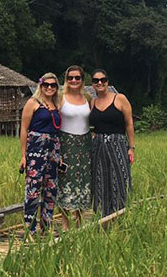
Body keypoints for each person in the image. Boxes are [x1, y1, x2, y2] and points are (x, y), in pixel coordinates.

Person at [19, 72, 62, 237]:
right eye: (46, 85)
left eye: (53, 85)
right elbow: (24, 129)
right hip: (36, 148)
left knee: (51, 188)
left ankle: (47, 225)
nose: (49, 88)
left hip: (53, 149)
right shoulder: (33, 103)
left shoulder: (56, 105)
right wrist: (23, 155)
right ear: (41, 86)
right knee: (33, 188)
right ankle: (29, 227)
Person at [89, 69, 135, 216]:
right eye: (96, 81)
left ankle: (121, 213)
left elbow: (129, 124)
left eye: (103, 80)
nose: (100, 83)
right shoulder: (92, 102)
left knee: (120, 177)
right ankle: (103, 215)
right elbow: (93, 127)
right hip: (98, 144)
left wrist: (131, 147)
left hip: (117, 142)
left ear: (107, 82)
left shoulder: (119, 98)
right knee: (100, 179)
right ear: (93, 84)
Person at [56, 65, 92, 229]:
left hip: (84, 143)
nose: (74, 81)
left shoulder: (87, 97)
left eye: (77, 78)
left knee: (82, 180)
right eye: (70, 78)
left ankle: (79, 219)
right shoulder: (60, 97)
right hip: (66, 142)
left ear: (82, 80)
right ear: (66, 79)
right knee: (64, 180)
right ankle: (64, 221)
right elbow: (54, 121)